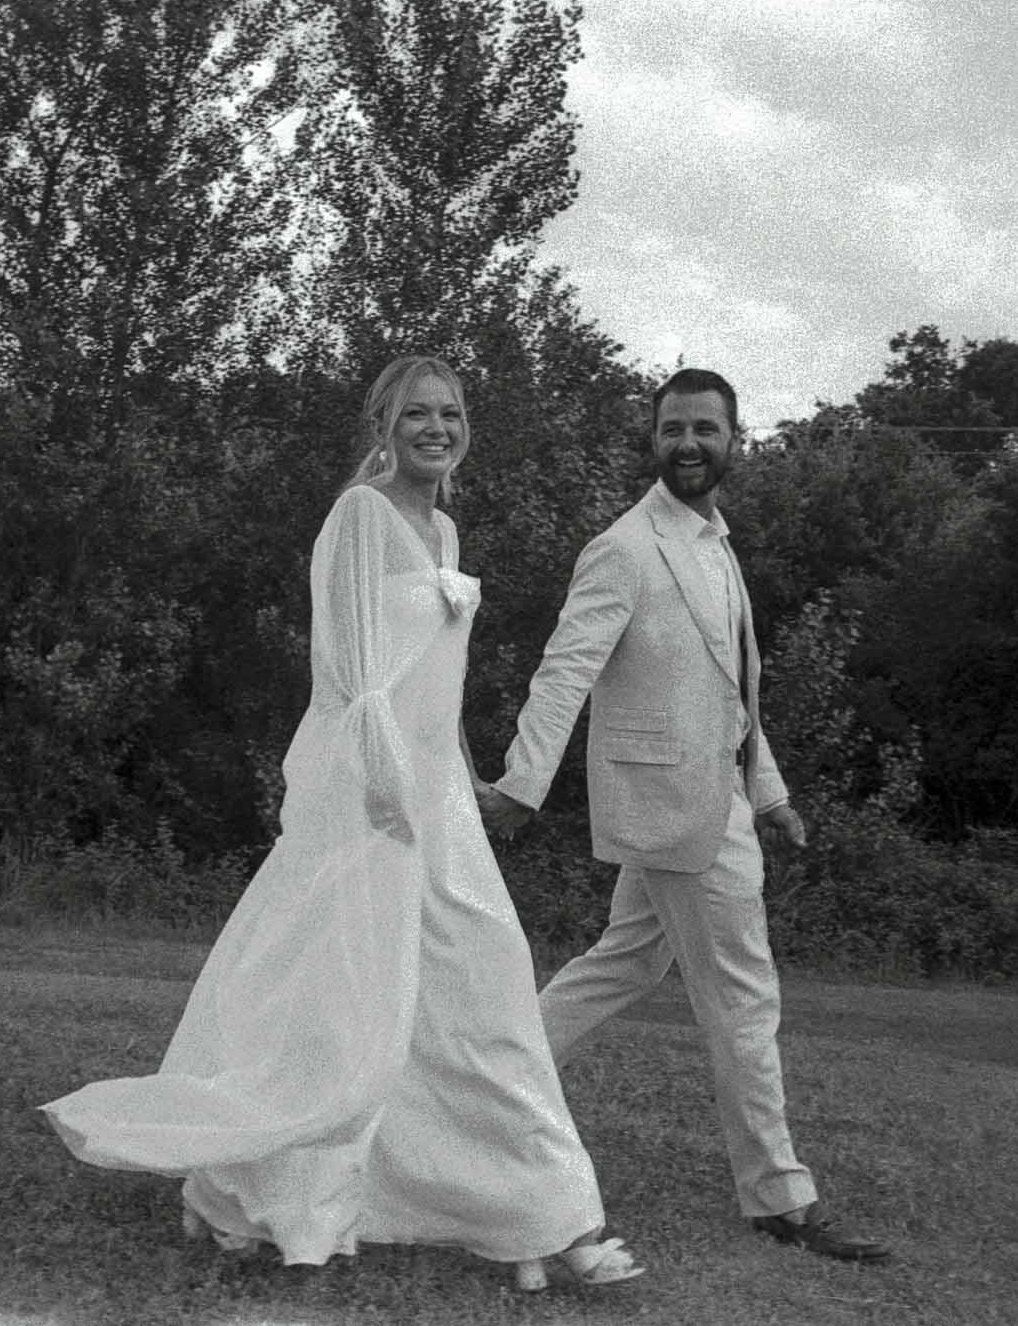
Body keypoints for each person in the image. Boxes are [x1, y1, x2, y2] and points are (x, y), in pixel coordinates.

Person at [42, 356, 642, 1292]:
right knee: (340, 995)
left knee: (483, 987)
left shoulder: (442, 525)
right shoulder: (360, 516)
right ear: (383, 424)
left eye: (449, 413)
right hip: (374, 800)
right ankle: (285, 1191)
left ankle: (538, 1207)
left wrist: (454, 771)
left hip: (439, 797)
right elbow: (351, 671)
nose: (435, 428)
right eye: (416, 414)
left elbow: (428, 676)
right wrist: (383, 785)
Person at [477, 367, 891, 1264]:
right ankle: (781, 1196)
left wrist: (770, 793)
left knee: (618, 965)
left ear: (735, 438)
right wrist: (520, 781)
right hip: (676, 810)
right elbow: (564, 670)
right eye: (674, 428)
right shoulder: (625, 546)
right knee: (746, 998)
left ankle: (481, 1082)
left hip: (718, 801)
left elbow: (732, 696)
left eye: (707, 427)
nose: (690, 442)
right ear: (653, 437)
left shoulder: (718, 543)